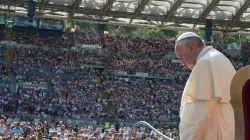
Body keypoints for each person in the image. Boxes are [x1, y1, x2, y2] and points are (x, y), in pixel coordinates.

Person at [175, 32, 236, 140]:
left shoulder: (205, 62)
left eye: (181, 57)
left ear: (191, 48)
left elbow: (199, 114)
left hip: (213, 132)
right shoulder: (220, 58)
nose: (182, 62)